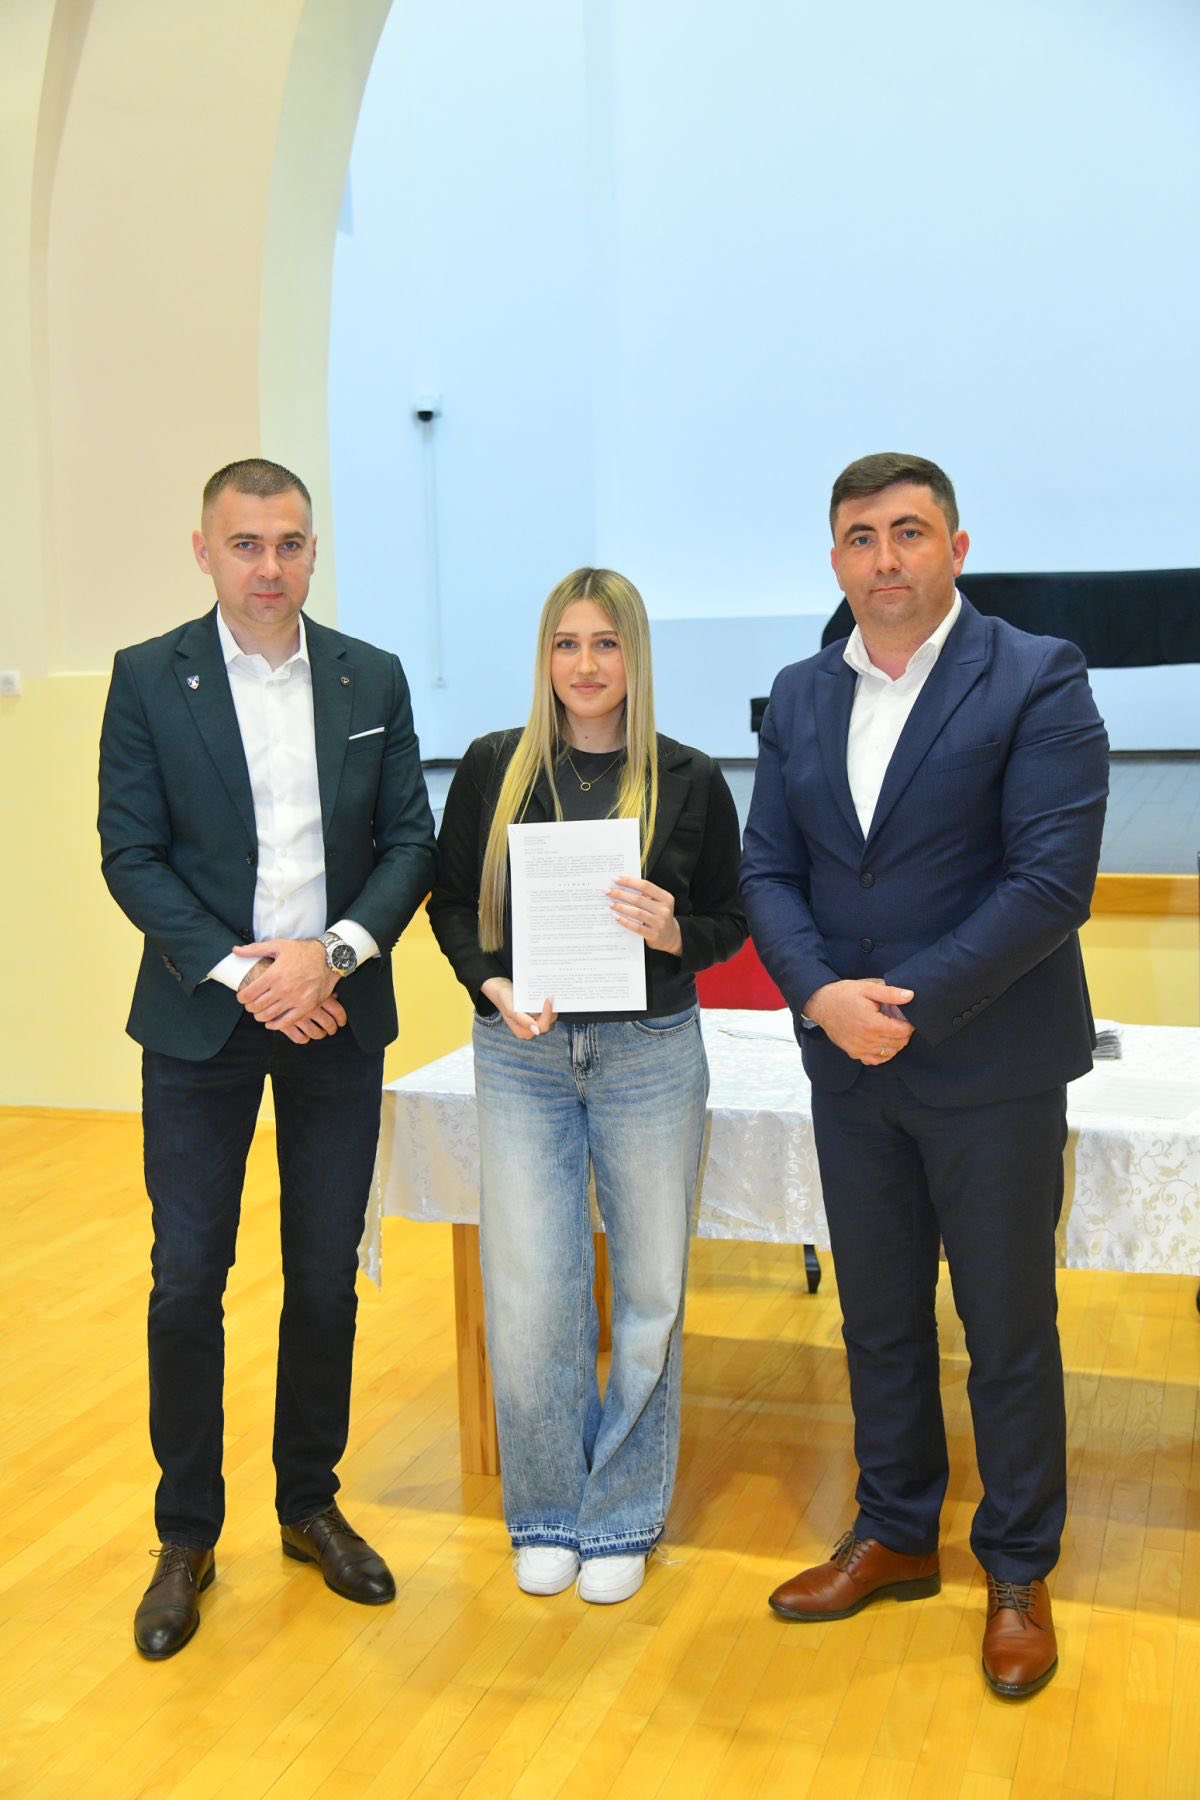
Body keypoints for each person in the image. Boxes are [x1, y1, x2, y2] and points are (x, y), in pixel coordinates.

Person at [740, 453, 1108, 1697]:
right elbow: (769, 872)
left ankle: (1017, 1568)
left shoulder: (1037, 675)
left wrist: (905, 1004)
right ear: (834, 559)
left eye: (908, 532)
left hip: (991, 1064)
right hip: (848, 1065)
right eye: (861, 537)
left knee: (1007, 1329)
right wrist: (821, 996)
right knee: (878, 1318)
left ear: (956, 548)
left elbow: (1050, 883)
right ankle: (896, 1530)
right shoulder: (801, 692)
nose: (884, 557)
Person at [98, 458, 436, 1659]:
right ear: (205, 551)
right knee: (187, 1281)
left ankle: (309, 1504)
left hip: (335, 1012)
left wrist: (327, 959)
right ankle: (186, 1533)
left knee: (324, 1276)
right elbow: (131, 854)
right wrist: (250, 976)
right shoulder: (149, 677)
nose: (269, 565)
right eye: (245, 544)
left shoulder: (369, 676)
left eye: (290, 542)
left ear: (312, 550)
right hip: (202, 1021)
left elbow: (410, 843)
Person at [427, 568, 745, 1604]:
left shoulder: (690, 778)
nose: (586, 664)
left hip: (650, 1053)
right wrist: (490, 982)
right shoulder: (495, 767)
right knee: (531, 1288)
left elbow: (731, 919)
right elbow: (447, 902)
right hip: (521, 1054)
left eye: (606, 643)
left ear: (635, 656)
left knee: (650, 1290)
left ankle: (621, 1517)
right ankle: (548, 1512)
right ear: (545, 657)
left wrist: (674, 932)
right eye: (566, 643)